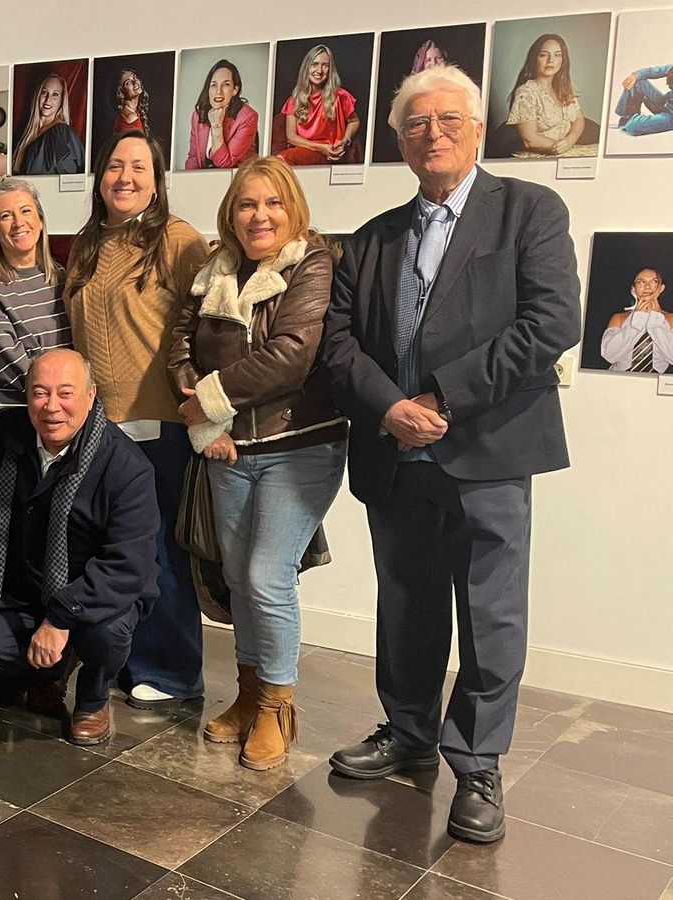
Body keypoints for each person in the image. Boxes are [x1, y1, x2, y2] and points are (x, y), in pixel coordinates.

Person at [321, 65, 581, 844]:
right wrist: (390, 407)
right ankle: (407, 734)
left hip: (489, 450)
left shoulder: (529, 210)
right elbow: (337, 342)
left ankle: (477, 763)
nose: (431, 134)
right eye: (414, 125)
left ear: (475, 128)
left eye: (446, 120)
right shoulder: (373, 237)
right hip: (395, 455)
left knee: (491, 615)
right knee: (406, 604)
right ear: (399, 141)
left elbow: (552, 322)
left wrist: (440, 396)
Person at [171, 156, 347, 770]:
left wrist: (209, 405)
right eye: (247, 204)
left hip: (298, 446)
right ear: (231, 212)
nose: (259, 215)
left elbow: (291, 356)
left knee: (269, 576)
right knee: (240, 575)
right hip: (228, 450)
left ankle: (277, 706)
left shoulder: (313, 263)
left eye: (272, 203)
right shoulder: (213, 268)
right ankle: (247, 697)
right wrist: (209, 424)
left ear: (292, 207)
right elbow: (179, 346)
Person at [0, 349, 159, 744]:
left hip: (99, 597)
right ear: (26, 397)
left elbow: (127, 565)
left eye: (65, 394)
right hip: (28, 590)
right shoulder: (12, 432)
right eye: (40, 393)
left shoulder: (127, 467)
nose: (51, 407)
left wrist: (60, 619)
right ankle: (49, 674)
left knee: (106, 634)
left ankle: (92, 699)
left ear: (91, 397)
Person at [64, 131, 211, 709]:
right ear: (99, 176)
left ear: (156, 179)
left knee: (158, 554)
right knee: (111, 550)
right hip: (95, 429)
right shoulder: (84, 245)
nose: (125, 177)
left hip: (157, 425)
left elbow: (204, 329)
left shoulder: (178, 241)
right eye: (114, 166)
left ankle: (174, 672)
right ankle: (120, 657)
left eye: (139, 167)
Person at [0, 177, 71, 426]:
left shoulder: (61, 278)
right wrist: (67, 395)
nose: (19, 223)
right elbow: (8, 368)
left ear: (40, 221)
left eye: (26, 211)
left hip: (56, 420)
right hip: (4, 423)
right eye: (6, 216)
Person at [496, 34, 600, 158]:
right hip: (541, 155)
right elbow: (530, 140)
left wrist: (570, 141)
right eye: (544, 55)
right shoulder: (526, 92)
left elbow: (579, 119)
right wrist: (563, 147)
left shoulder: (564, 87)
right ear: (534, 58)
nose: (551, 60)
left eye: (557, 55)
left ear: (563, 60)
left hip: (567, 147)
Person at [277, 44, 361, 165]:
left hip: (333, 153)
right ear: (307, 67)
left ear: (330, 69)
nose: (320, 71)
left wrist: (345, 140)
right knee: (279, 162)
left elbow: (354, 121)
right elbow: (291, 137)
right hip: (305, 150)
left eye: (325, 65)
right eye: (315, 64)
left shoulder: (341, 96)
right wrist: (320, 147)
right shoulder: (293, 100)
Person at [186, 60, 261, 170]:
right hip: (205, 177)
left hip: (237, 178)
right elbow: (193, 157)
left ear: (235, 90)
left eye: (226, 84)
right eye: (213, 85)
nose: (219, 92)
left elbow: (226, 163)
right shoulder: (198, 115)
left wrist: (216, 126)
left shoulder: (248, 116)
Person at [600, 268, 673, 373]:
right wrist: (638, 319)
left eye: (653, 281)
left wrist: (655, 320)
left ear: (661, 288)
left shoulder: (670, 319)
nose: (647, 286)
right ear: (633, 289)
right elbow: (609, 355)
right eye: (641, 282)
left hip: (655, 383)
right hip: (619, 379)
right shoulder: (619, 318)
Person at [14, 73, 84, 175]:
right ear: (38, 95)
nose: (48, 99)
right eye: (44, 92)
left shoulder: (62, 134)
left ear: (61, 101)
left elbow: (68, 181)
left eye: (55, 94)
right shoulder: (24, 133)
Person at [614, 64, 673, 137]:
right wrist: (634, 76)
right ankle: (627, 116)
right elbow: (650, 71)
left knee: (633, 126)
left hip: (670, 116)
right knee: (637, 81)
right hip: (665, 102)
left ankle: (634, 122)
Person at [113, 69, 149, 134]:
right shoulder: (131, 117)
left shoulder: (131, 111)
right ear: (121, 93)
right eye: (128, 82)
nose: (135, 82)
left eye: (135, 77)